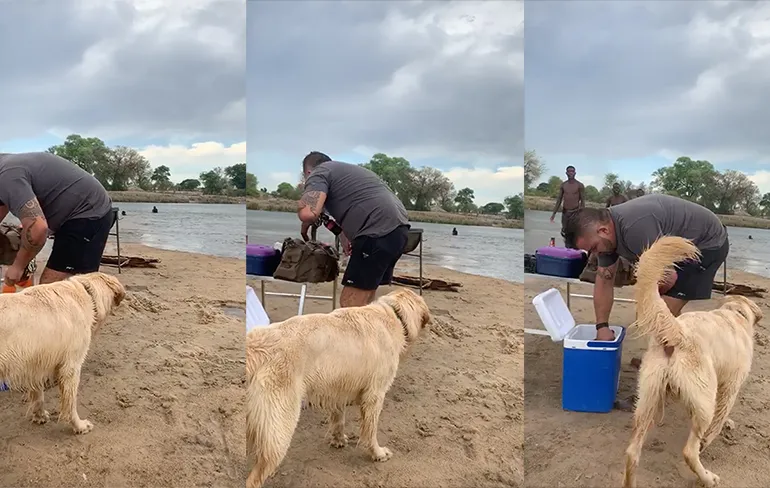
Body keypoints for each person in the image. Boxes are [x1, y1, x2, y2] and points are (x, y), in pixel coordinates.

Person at [561, 193, 729, 344]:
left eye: (594, 248)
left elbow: (668, 278)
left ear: (603, 230)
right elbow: (604, 280)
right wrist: (602, 327)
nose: (595, 254)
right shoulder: (605, 239)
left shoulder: (635, 228)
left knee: (659, 317)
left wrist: (647, 306)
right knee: (657, 314)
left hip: (707, 244)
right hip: (676, 246)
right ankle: (671, 354)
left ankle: (672, 361)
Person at [297, 151, 410, 308]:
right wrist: (344, 236)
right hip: (398, 230)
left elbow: (308, 213)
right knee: (365, 301)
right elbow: (352, 205)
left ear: (308, 172)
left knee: (350, 304)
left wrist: (303, 202)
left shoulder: (318, 173)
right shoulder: (345, 173)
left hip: (376, 232)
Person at [0, 152, 114, 286]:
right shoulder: (6, 167)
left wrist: (18, 267)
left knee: (50, 287)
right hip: (73, 212)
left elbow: (38, 229)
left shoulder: (7, 177)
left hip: (88, 213)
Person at [550, 165, 585, 231]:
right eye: (569, 171)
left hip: (575, 213)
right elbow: (559, 200)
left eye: (572, 171)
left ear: (575, 173)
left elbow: (583, 202)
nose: (570, 173)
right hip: (565, 213)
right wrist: (554, 214)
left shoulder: (579, 185)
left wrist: (582, 215)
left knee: (574, 232)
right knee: (564, 231)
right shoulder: (563, 185)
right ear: (566, 173)